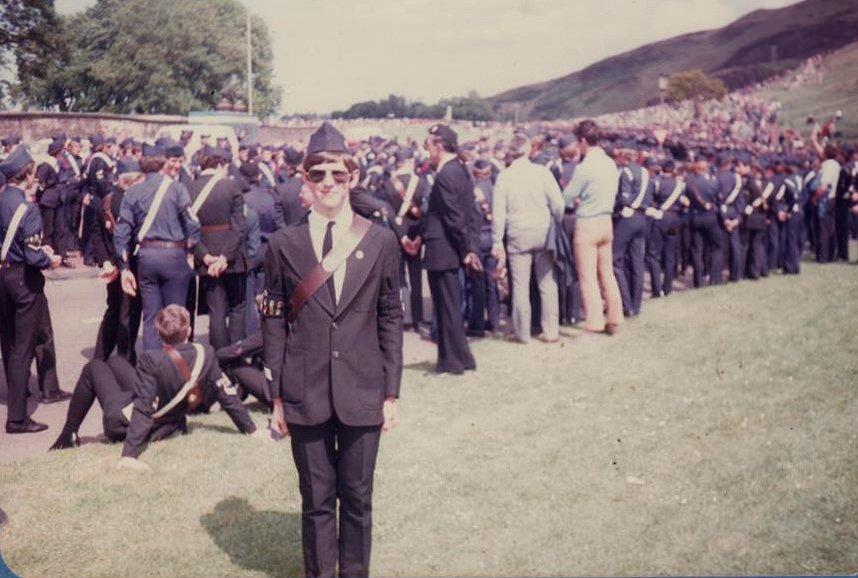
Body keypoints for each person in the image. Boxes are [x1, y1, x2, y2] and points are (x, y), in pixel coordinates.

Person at [262, 122, 402, 578]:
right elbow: (274, 321)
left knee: (358, 498)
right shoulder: (283, 244)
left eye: (337, 175)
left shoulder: (379, 240)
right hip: (305, 392)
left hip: (363, 388)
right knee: (317, 499)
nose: (328, 184)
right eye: (318, 174)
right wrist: (277, 397)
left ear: (353, 178)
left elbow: (390, 317)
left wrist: (392, 393)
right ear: (305, 180)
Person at [50, 305, 263, 467]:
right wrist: (251, 430)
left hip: (121, 421)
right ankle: (160, 428)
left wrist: (129, 455)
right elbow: (227, 393)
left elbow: (143, 407)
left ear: (160, 335)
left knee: (93, 367)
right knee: (117, 362)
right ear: (188, 331)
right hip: (170, 421)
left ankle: (69, 434)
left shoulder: (151, 359)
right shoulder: (205, 353)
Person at [0, 146, 64, 433]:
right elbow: (34, 256)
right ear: (25, 173)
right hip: (24, 280)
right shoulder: (28, 209)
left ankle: (18, 395)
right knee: (23, 350)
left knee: (10, 343)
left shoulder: (2, 201)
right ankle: (17, 418)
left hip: (2, 274)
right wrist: (51, 258)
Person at [113, 143, 200, 350]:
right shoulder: (177, 188)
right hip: (174, 255)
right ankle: (175, 368)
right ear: (163, 162)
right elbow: (193, 224)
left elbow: (121, 231)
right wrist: (191, 249)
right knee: (175, 316)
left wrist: (124, 267)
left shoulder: (133, 192)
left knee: (151, 317)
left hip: (146, 256)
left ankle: (152, 366)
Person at [491, 132, 565, 342]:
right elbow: (558, 204)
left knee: (520, 287)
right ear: (527, 149)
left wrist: (498, 240)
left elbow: (499, 214)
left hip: (517, 234)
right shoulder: (542, 173)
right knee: (547, 283)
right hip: (542, 231)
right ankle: (551, 332)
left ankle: (522, 333)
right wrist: (554, 222)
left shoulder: (504, 177)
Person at [418, 124, 479, 372]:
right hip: (449, 247)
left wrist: (466, 249)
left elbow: (454, 216)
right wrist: (469, 246)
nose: (427, 150)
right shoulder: (460, 170)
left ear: (439, 145)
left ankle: (452, 361)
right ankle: (459, 357)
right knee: (449, 304)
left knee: (446, 305)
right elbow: (470, 213)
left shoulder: (446, 174)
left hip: (443, 248)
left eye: (429, 144)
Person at [562, 119, 623, 335]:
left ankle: (595, 322)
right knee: (607, 272)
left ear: (583, 141)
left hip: (587, 222)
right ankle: (615, 317)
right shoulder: (610, 163)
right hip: (606, 221)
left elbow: (567, 198)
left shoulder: (584, 168)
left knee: (587, 276)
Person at [188, 145, 248, 350]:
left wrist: (204, 256)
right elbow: (239, 228)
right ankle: (237, 354)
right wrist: (225, 257)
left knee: (217, 311)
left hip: (205, 252)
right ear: (221, 164)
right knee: (238, 308)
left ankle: (220, 357)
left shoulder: (189, 188)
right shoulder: (231, 187)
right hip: (232, 256)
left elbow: (188, 229)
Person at [91, 157, 144, 364]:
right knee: (129, 313)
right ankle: (125, 357)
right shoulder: (134, 202)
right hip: (129, 264)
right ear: (131, 181)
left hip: (112, 265)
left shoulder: (105, 200)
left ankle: (100, 355)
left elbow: (96, 235)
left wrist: (105, 261)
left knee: (113, 309)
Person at [612, 151, 655, 317]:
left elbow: (624, 198)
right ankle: (636, 306)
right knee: (637, 262)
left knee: (615, 260)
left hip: (628, 218)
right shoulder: (645, 172)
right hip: (642, 218)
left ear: (624, 157)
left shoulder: (626, 172)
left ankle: (626, 304)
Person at [686, 159, 725, 287]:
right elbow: (719, 200)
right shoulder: (713, 182)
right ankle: (714, 278)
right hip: (710, 218)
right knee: (717, 247)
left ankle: (698, 282)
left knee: (697, 250)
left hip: (695, 217)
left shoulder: (690, 182)